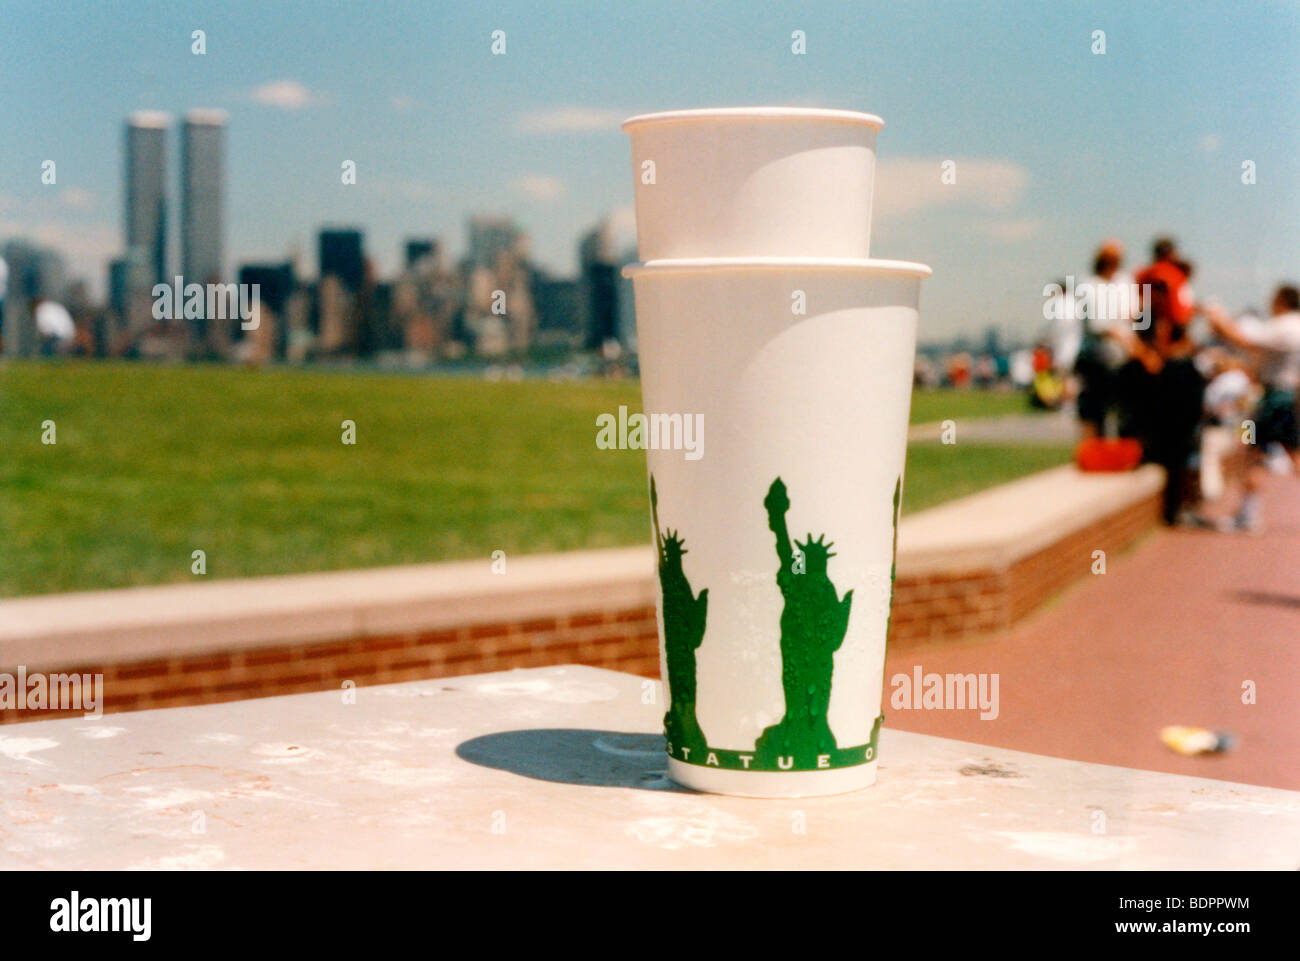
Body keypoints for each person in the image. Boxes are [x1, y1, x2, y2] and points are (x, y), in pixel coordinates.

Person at [1121, 238, 1206, 524]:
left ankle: (1183, 504)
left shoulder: (1161, 289)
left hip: (1175, 373)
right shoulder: (1161, 289)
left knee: (1182, 442)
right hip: (1172, 375)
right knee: (1178, 442)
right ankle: (1179, 507)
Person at [1205, 285, 1300, 531]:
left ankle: (1247, 515)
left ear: (1281, 301)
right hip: (1287, 398)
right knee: (1291, 456)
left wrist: (1218, 317)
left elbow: (1244, 340)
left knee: (1253, 454)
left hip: (1273, 399)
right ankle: (1247, 514)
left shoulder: (1284, 325)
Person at [1075, 241, 1136, 437]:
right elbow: (1101, 326)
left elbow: (1134, 314)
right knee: (1095, 414)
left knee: (1125, 413)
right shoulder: (1089, 285)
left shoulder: (1125, 282)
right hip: (1098, 360)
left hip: (1124, 359)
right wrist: (1135, 347)